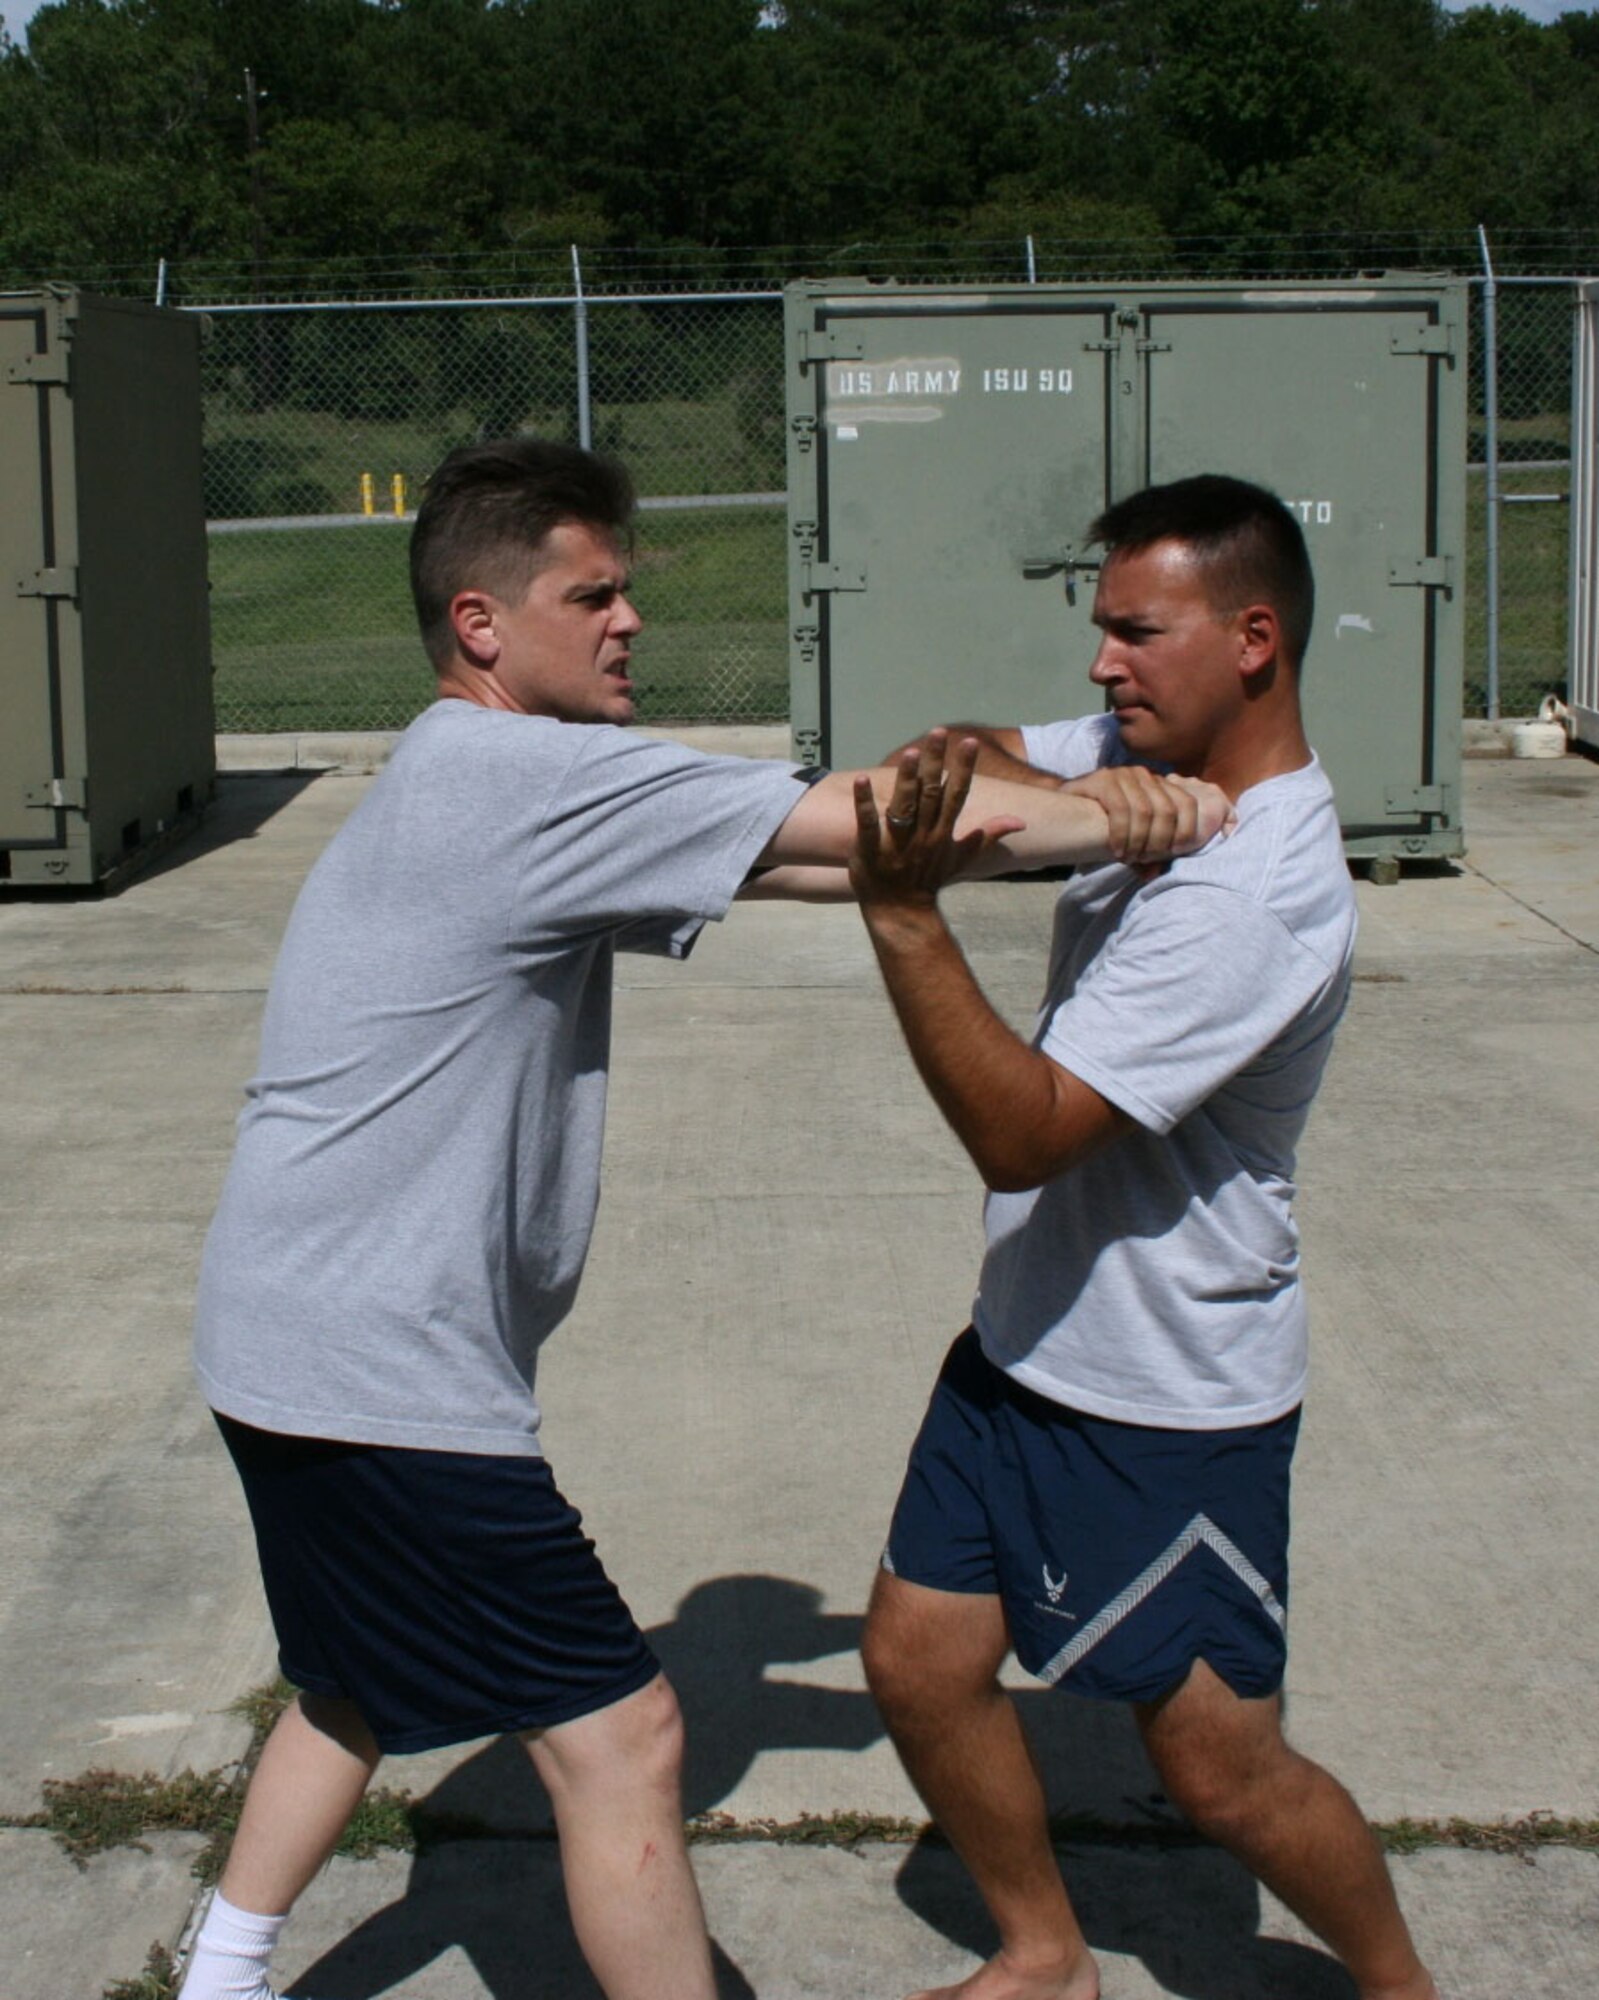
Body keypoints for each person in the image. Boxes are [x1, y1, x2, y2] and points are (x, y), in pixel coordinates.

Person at [182, 437, 1227, 2000]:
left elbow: (829, 865)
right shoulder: (525, 777)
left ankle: (217, 1974)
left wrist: (1037, 826)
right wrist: (1153, 814)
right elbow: (877, 815)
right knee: (627, 1737)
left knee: (351, 1678)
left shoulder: (466, 774)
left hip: (277, 1337)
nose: (628, 624)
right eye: (590, 595)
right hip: (380, 1367)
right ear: (482, 623)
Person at [848, 474, 1441, 2000]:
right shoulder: (1142, 753)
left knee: (1222, 1775)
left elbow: (1027, 1127)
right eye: (1099, 631)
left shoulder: (1260, 893)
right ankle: (1047, 1954)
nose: (1103, 666)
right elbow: (954, 754)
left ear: (1253, 638)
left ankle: (1400, 1987)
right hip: (1024, 1344)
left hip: (1168, 1400)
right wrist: (1082, 802)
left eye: (1135, 632)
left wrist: (910, 912)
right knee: (918, 1664)